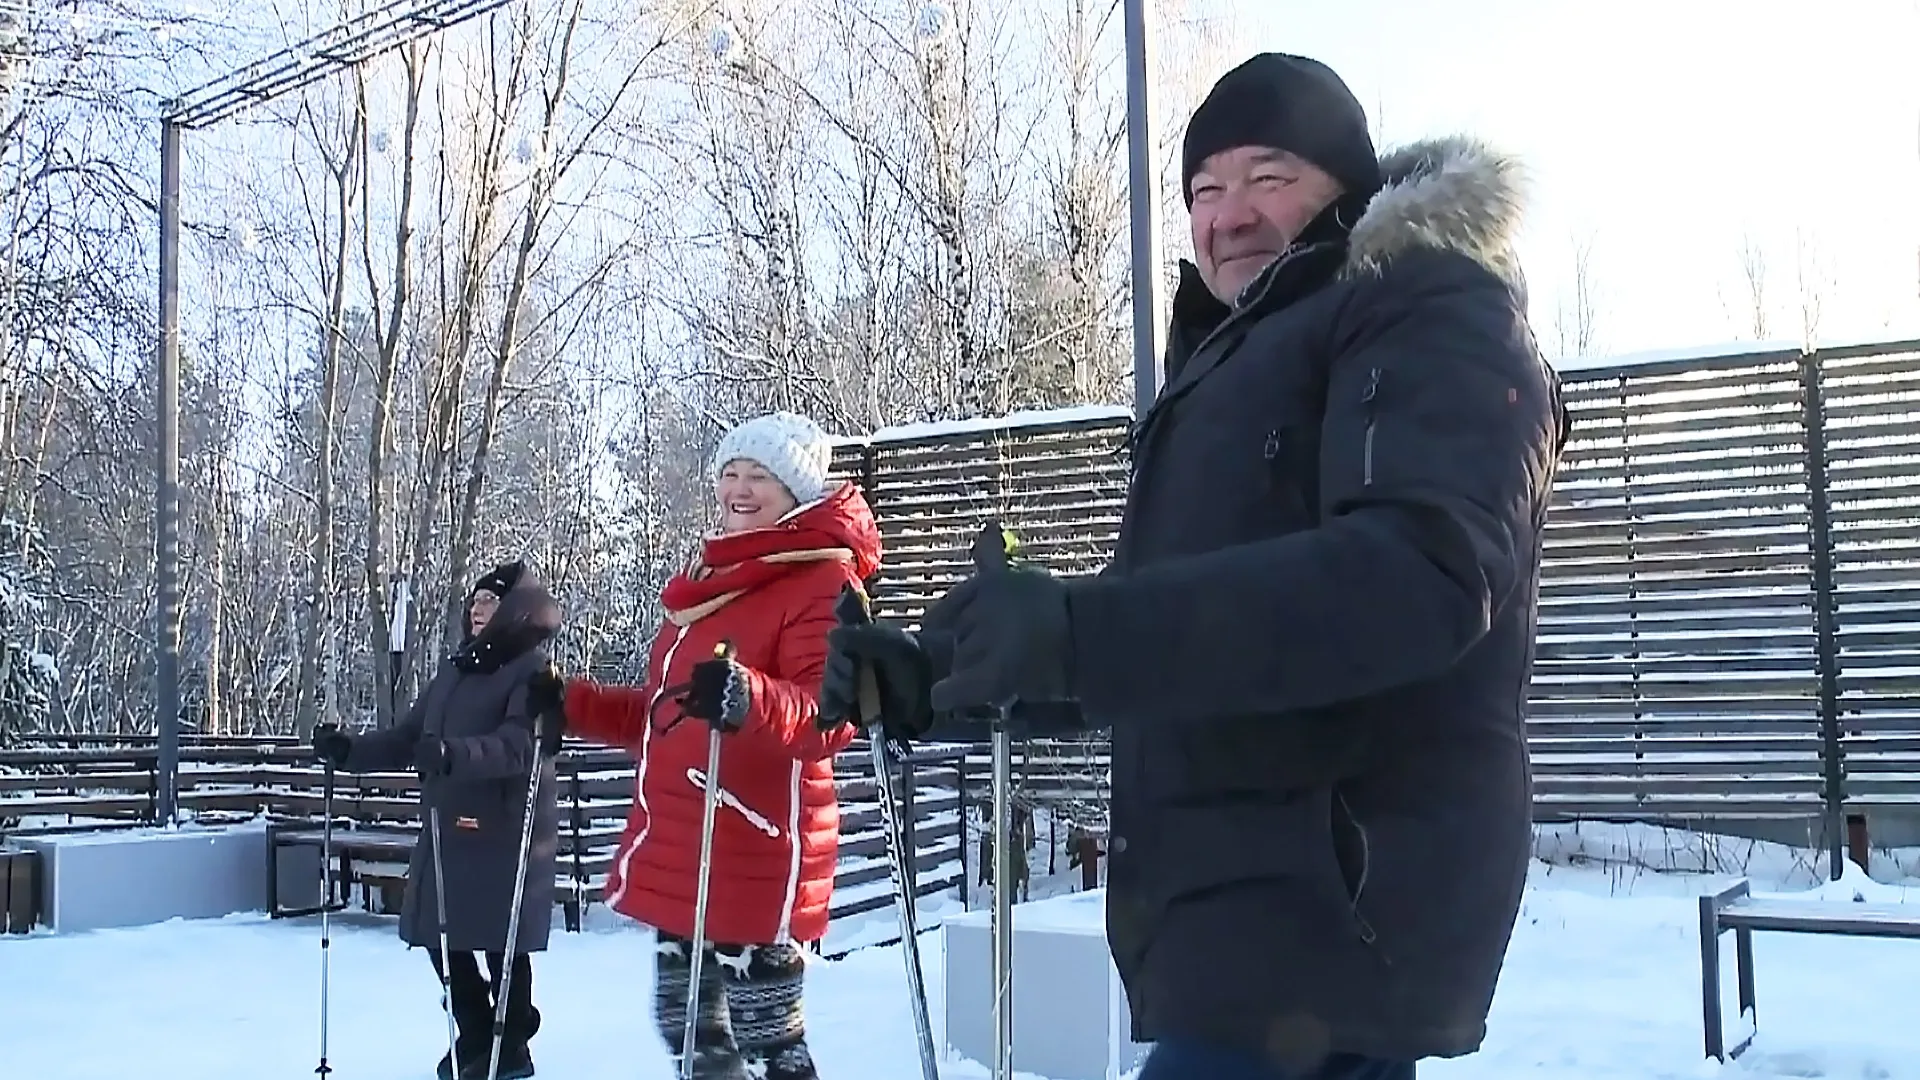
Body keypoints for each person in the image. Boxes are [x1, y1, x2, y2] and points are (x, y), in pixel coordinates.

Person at [817, 53, 1572, 1080]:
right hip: (1242, 924)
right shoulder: (1231, 376)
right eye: (1205, 191)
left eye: (1270, 177)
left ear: (1347, 190)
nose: (1231, 216)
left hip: (1332, 906)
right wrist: (944, 680)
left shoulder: (1431, 308)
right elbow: (1154, 648)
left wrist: (1084, 636)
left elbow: (1414, 579)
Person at [525, 411, 880, 1080]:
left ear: (796, 493)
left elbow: (831, 719)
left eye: (760, 478)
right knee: (687, 1030)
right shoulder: (710, 585)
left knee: (768, 1043)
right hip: (691, 851)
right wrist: (575, 704)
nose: (739, 490)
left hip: (756, 847)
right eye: (730, 474)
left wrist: (751, 697)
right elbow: (670, 718)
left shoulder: (823, 583)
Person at [312, 559, 563, 1080]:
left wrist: (453, 754)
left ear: (513, 612)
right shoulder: (457, 669)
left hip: (505, 828)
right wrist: (349, 751)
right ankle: (476, 1032)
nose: (476, 609)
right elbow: (409, 737)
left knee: (501, 941)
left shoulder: (531, 671)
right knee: (435, 930)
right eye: (473, 601)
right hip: (449, 825)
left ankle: (510, 1044)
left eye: (489, 601)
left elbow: (520, 748)